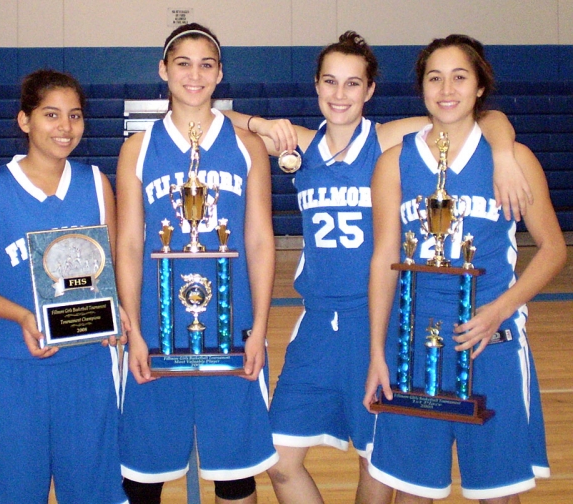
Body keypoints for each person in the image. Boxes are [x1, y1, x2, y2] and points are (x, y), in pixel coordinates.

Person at [226, 31, 530, 504]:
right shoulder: (302, 146)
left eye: (353, 84)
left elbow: (482, 115)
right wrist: (263, 122)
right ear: (316, 86)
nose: (339, 94)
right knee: (278, 458)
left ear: (369, 91)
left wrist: (506, 153)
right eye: (330, 82)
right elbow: (213, 120)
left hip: (381, 322)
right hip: (317, 326)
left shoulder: (390, 140)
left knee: (379, 463)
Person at [363, 34, 566, 503]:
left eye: (460, 76)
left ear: (479, 87)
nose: (446, 87)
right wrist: (377, 349)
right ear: (422, 88)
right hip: (412, 349)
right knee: (413, 492)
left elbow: (554, 249)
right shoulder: (394, 163)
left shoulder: (512, 160)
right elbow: (383, 261)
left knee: (497, 493)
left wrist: (500, 310)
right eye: (434, 77)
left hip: (490, 346)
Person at [0, 69, 127, 503]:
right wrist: (23, 315)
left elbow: (112, 268)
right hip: (13, 366)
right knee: (11, 492)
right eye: (51, 114)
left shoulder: (97, 184)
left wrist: (117, 314)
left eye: (75, 116)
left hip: (89, 365)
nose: (65, 127)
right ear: (25, 120)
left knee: (94, 492)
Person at [115, 23, 278, 504]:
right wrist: (134, 330)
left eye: (206, 64)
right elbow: (127, 244)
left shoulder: (249, 146)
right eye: (183, 63)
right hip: (155, 324)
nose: (195, 74)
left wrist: (261, 328)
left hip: (234, 325)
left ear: (220, 73)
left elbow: (260, 241)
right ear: (163, 70)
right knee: (142, 474)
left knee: (235, 473)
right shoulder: (137, 149)